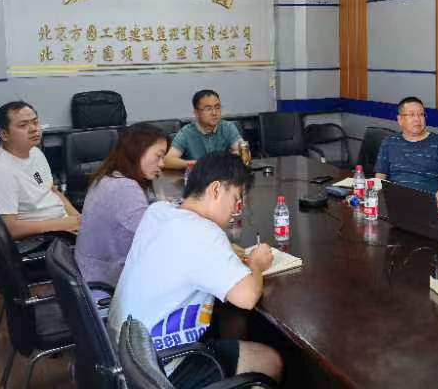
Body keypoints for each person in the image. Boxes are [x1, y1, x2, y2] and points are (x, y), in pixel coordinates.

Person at [108, 152, 283, 387]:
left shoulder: (158, 211)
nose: (235, 210)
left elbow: (182, 251)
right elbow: (247, 297)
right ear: (216, 190)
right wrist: (256, 263)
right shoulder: (204, 234)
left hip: (125, 358)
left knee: (229, 322)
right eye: (236, 199)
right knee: (270, 361)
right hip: (159, 369)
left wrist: (225, 250)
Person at [75, 123, 168, 288]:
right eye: (158, 156)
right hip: (105, 280)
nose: (162, 164)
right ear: (137, 151)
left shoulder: (112, 176)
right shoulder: (124, 187)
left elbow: (151, 206)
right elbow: (157, 234)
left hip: (93, 269)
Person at [0, 101, 80, 239]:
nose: (34, 129)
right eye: (23, 125)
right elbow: (10, 229)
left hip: (64, 225)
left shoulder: (35, 152)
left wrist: (78, 218)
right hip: (43, 237)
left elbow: (51, 190)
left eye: (35, 122)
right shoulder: (0, 170)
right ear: (4, 134)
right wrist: (63, 224)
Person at [374, 96, 438, 207]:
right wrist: (377, 197)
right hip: (395, 201)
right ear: (400, 120)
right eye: (412, 115)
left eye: (421, 114)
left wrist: (432, 201)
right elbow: (380, 175)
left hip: (427, 202)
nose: (417, 119)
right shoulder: (389, 142)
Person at [163, 89, 242, 170]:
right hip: (198, 175)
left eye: (217, 107)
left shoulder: (227, 127)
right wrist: (198, 164)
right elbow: (167, 161)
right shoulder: (186, 133)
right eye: (208, 109)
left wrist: (220, 161)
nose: (214, 113)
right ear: (196, 113)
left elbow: (243, 151)